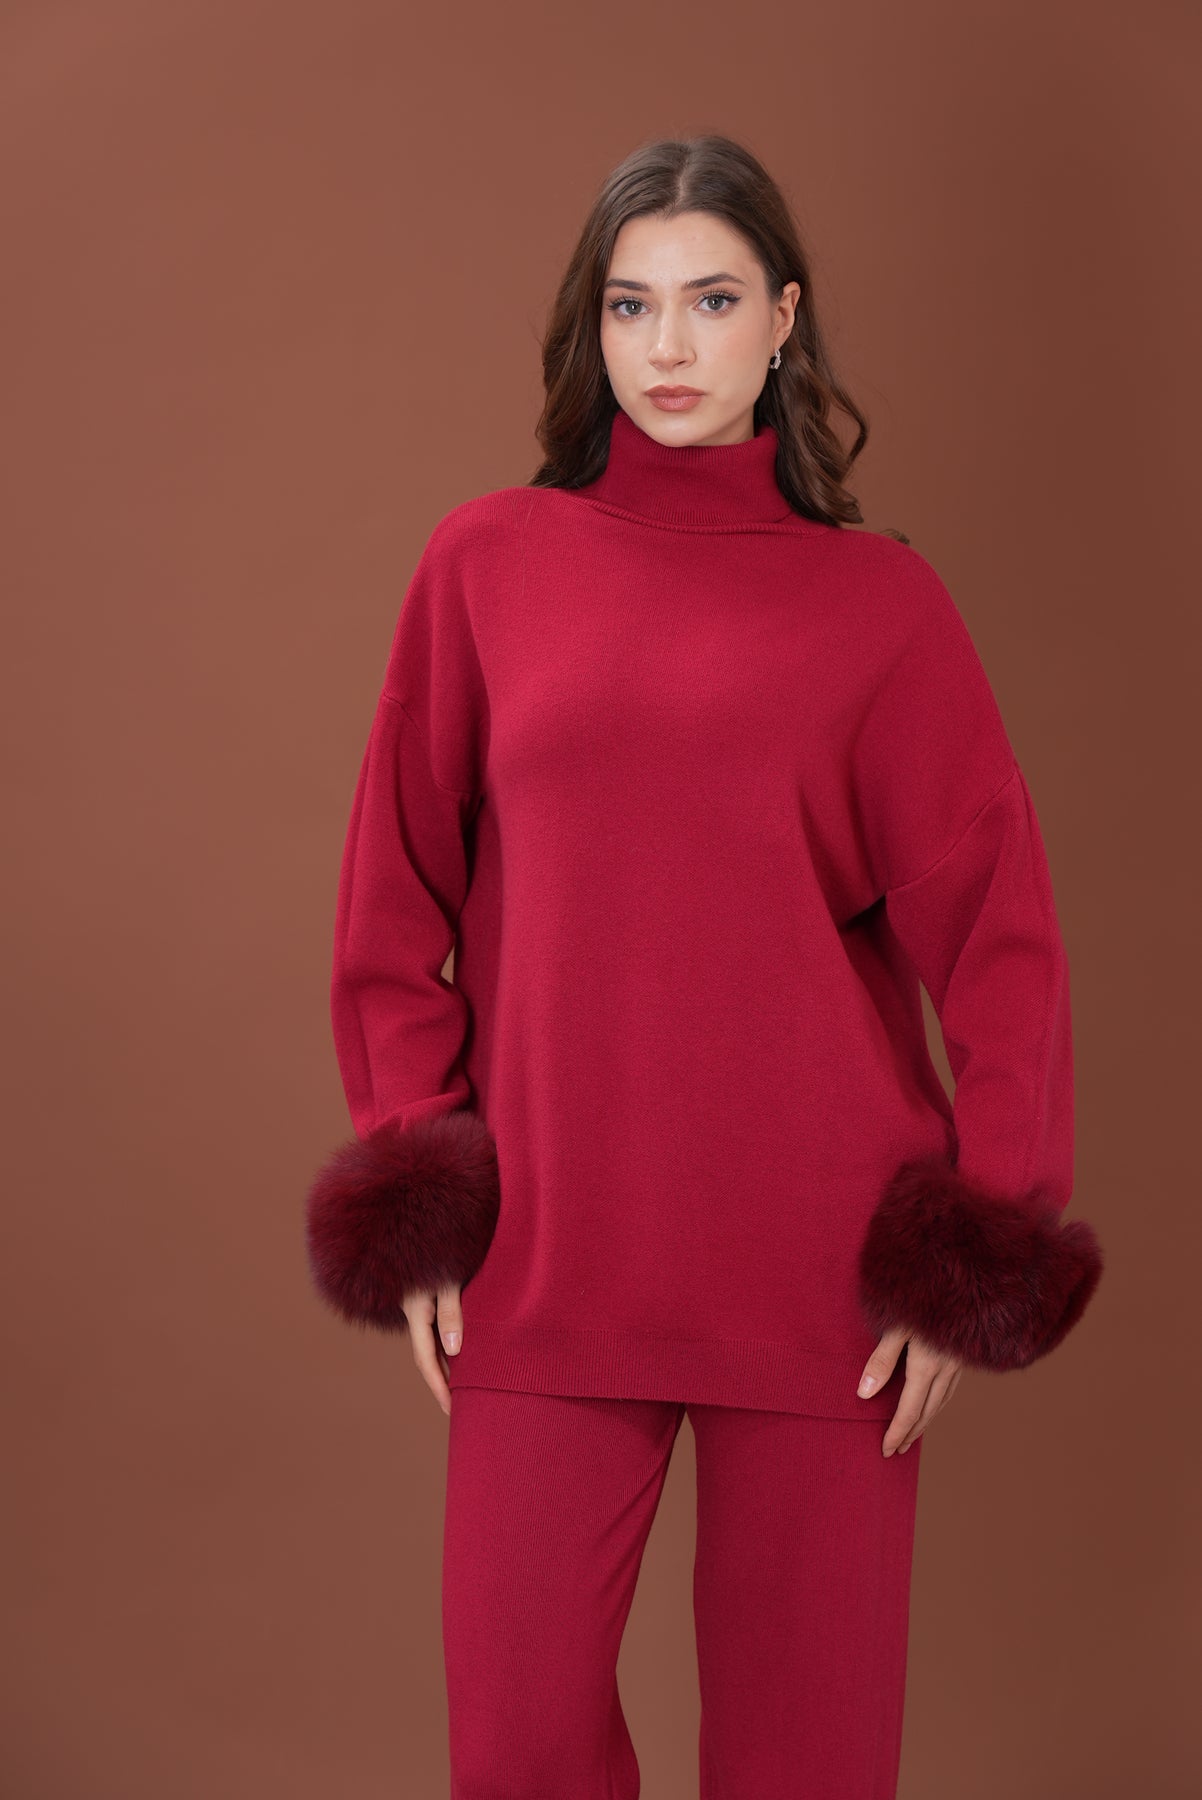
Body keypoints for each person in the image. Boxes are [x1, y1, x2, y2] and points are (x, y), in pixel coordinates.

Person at [304, 133, 1104, 1799]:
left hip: (819, 1278)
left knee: (807, 1766)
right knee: (516, 1746)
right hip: (550, 1249)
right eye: (630, 304)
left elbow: (1001, 941)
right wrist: (415, 1166)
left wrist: (979, 1239)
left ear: (783, 319)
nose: (667, 346)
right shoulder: (485, 567)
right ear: (589, 327)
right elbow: (391, 897)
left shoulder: (879, 608)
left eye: (713, 300)